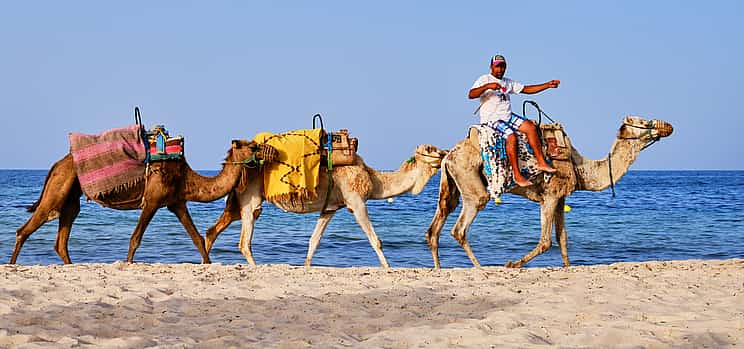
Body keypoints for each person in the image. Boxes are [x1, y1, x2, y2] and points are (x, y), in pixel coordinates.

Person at [468, 54, 560, 187]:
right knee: (511, 137)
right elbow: (471, 94)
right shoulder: (484, 79)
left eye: (502, 66)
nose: (500, 69)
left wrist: (547, 85)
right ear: (491, 67)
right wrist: (487, 86)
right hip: (492, 119)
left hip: (508, 116)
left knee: (531, 127)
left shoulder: (508, 82)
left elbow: (526, 89)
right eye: (497, 66)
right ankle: (517, 175)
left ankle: (541, 162)